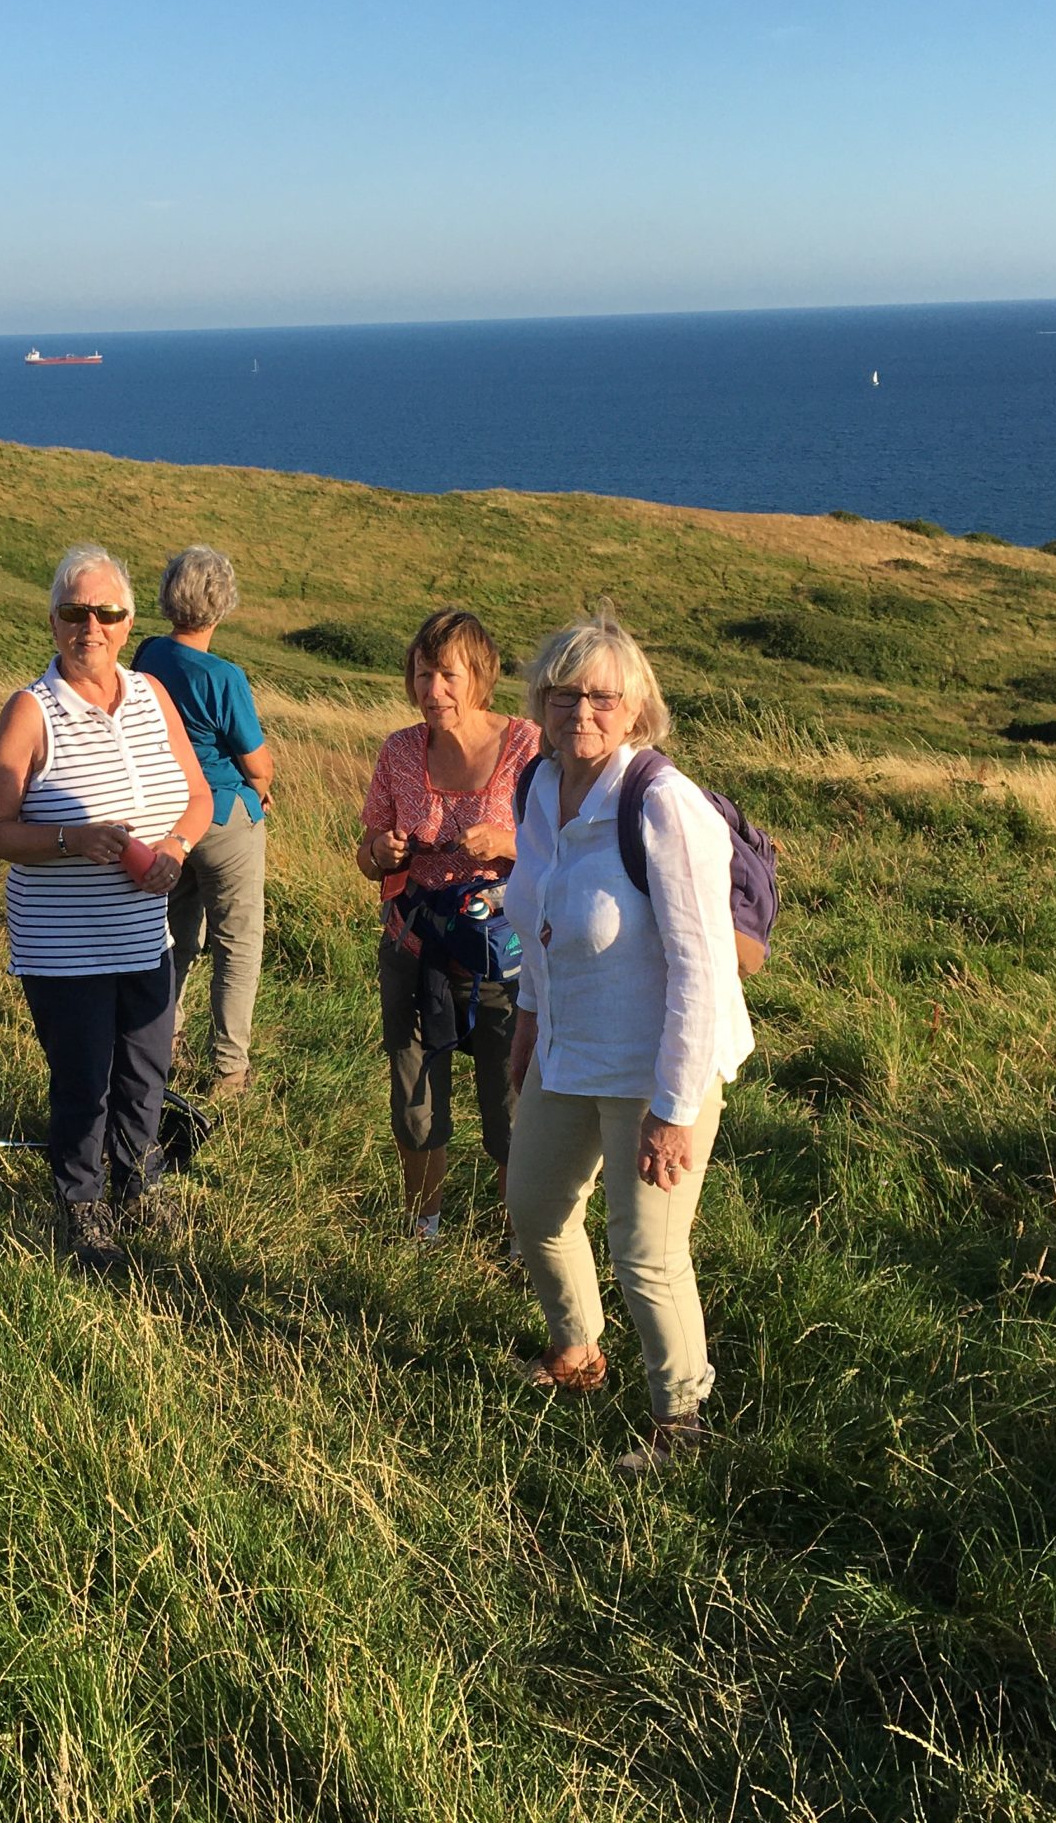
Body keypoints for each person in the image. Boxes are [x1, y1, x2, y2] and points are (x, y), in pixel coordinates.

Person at [500, 611, 754, 1473]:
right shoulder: (539, 787)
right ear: (540, 701)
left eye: (603, 697)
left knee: (646, 1255)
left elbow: (703, 970)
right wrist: (528, 1026)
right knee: (534, 1210)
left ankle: (681, 1426)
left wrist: (675, 1111)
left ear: (637, 708)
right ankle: (577, 1349)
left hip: (657, 1068)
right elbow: (535, 920)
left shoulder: (663, 806)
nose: (583, 712)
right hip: (568, 1048)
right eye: (565, 693)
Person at [0, 545, 213, 1270]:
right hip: (64, 945)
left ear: (128, 619)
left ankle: (140, 1181)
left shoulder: (150, 695)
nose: (92, 627)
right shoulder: (30, 710)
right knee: (84, 1080)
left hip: (147, 936)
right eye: (75, 613)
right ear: (53, 622)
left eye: (106, 613)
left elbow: (199, 797)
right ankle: (82, 1204)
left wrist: (174, 846)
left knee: (145, 1073)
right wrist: (74, 838)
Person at [357, 609, 539, 1240]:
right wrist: (381, 854)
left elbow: (567, 847)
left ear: (480, 677)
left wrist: (508, 845)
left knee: (511, 1100)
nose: (432, 690)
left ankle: (522, 1239)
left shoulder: (527, 747)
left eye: (447, 675)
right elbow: (366, 853)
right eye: (422, 673)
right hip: (414, 947)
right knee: (413, 1097)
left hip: (503, 956)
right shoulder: (400, 750)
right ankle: (422, 1229)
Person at [134, 546, 274, 1102]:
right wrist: (260, 791)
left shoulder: (148, 653)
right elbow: (256, 761)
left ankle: (158, 1043)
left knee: (174, 937)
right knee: (238, 943)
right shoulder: (225, 676)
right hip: (222, 816)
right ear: (223, 605)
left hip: (167, 815)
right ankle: (229, 1071)